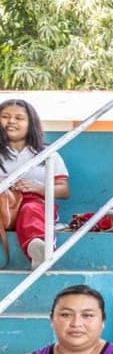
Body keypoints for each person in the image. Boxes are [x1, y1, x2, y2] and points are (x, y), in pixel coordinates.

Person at [0, 99, 69, 267]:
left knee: (31, 208)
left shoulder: (47, 153)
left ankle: (37, 251)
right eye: (5, 116)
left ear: (31, 123)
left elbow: (64, 190)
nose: (11, 121)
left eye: (19, 118)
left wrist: (38, 188)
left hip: (34, 206)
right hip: (3, 209)